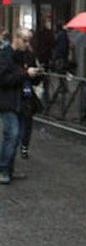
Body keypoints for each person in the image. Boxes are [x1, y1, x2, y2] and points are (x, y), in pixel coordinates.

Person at [12, 27, 44, 164]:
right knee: (13, 127)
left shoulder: (31, 55)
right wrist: (26, 72)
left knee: (27, 121)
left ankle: (24, 146)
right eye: (24, 40)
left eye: (28, 41)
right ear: (16, 39)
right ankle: (11, 155)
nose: (27, 44)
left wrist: (38, 74)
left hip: (27, 94)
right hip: (12, 95)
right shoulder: (9, 55)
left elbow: (35, 79)